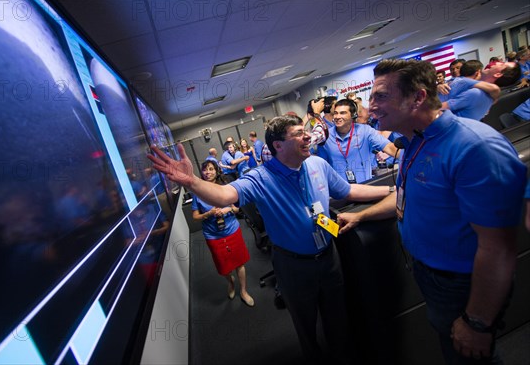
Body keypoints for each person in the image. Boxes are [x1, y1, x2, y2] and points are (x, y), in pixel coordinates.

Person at [148, 115, 394, 364]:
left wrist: (391, 189)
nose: (307, 135)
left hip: (330, 258)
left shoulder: (317, 164)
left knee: (338, 320)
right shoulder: (260, 178)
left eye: (305, 130)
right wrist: (192, 182)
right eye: (298, 133)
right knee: (307, 326)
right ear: (278, 145)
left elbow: (349, 191)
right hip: (294, 266)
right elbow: (224, 195)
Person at [337, 59, 527, 365]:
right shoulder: (416, 140)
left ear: (418, 97)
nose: (370, 106)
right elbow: (406, 196)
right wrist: (361, 216)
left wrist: (477, 321)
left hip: (464, 283)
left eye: (381, 96)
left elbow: (498, 249)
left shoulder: (474, 147)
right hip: (431, 275)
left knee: (471, 353)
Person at [191, 160, 254, 306]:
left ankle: (243, 291)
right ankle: (231, 283)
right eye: (205, 170)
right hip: (213, 235)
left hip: (232, 229)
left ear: (216, 171)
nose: (208, 172)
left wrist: (228, 209)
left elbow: (237, 209)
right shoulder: (198, 193)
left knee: (239, 263)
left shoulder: (226, 187)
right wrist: (209, 213)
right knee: (224, 266)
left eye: (211, 169)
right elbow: (195, 217)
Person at [317, 99, 399, 184]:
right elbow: (322, 166)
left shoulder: (365, 131)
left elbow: (389, 147)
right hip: (341, 192)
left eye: (342, 113)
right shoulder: (326, 136)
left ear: (353, 115)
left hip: (366, 187)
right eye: (336, 113)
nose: (337, 117)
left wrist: (409, 158)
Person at [441, 60, 521, 120]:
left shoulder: (476, 93)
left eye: (502, 64)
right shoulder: (484, 91)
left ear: (498, 74)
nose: (497, 62)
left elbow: (437, 108)